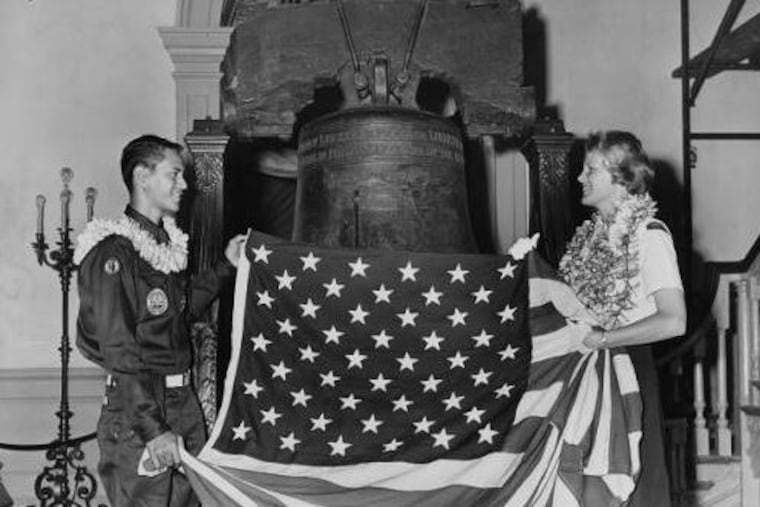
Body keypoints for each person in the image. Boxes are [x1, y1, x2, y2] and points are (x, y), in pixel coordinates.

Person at [74, 134, 246, 506]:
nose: (184, 184)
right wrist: (153, 430)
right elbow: (120, 350)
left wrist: (225, 266)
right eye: (174, 174)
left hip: (182, 402)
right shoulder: (113, 253)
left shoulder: (162, 247)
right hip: (140, 409)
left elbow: (175, 320)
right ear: (142, 177)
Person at [558, 130, 686, 506]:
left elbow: (673, 321)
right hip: (589, 371)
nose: (580, 178)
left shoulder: (649, 234)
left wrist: (604, 339)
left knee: (635, 486)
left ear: (620, 177)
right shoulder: (587, 241)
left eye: (590, 170)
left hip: (630, 370)